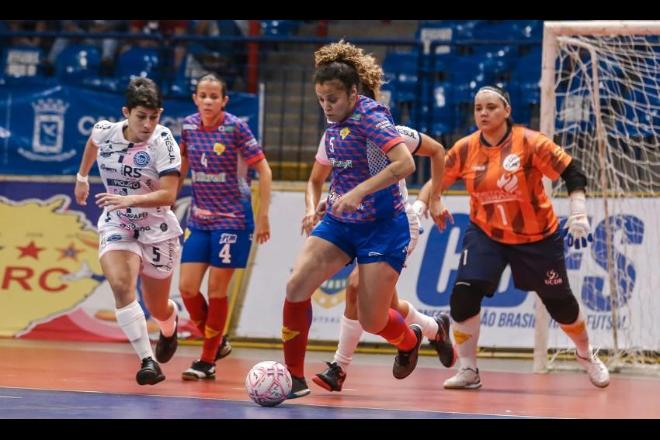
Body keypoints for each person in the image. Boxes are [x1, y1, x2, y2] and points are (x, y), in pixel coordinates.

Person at [299, 41, 455, 393]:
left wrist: (435, 198)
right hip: (355, 223)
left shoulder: (388, 131)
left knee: (357, 289)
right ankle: (432, 328)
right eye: (324, 99)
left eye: (337, 99)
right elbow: (322, 179)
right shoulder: (334, 134)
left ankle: (339, 367)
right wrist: (321, 205)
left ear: (358, 98)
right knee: (383, 305)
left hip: (395, 222)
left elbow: (437, 151)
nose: (330, 107)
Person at [438, 85, 609, 389]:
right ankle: (469, 370)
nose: (484, 113)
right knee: (464, 294)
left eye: (491, 107)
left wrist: (579, 211)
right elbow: (438, 178)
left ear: (506, 111)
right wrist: (427, 201)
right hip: (486, 233)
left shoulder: (530, 142)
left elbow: (573, 172)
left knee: (561, 305)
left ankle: (585, 354)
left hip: (537, 237)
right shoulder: (465, 148)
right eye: (478, 108)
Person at [74, 77, 182, 385]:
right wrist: (82, 177)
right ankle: (148, 362)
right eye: (141, 117)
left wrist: (128, 198)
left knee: (158, 306)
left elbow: (169, 194)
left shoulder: (164, 142)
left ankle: (169, 326)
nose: (148, 124)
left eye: (154, 116)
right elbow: (91, 145)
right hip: (118, 221)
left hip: (157, 227)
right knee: (122, 285)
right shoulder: (105, 131)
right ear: (126, 112)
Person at [177, 73, 272, 380]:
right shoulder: (189, 126)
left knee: (217, 289)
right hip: (200, 219)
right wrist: (167, 198)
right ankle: (218, 340)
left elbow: (263, 169)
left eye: (213, 96)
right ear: (195, 98)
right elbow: (182, 166)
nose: (207, 101)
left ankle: (207, 360)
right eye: (202, 95)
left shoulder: (235, 127)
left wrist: (264, 216)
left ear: (224, 100)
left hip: (232, 219)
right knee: (187, 288)